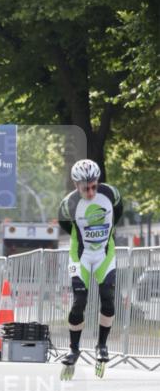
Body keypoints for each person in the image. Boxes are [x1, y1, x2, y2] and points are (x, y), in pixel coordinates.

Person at [58, 159, 123, 377]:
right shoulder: (69, 204)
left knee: (108, 296)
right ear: (76, 185)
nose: (91, 191)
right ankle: (73, 349)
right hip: (81, 255)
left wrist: (105, 235)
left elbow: (118, 214)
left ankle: (101, 345)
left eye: (94, 185)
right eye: (86, 188)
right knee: (79, 302)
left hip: (105, 252)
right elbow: (66, 225)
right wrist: (83, 238)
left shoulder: (111, 194)